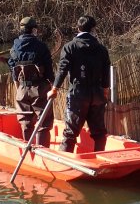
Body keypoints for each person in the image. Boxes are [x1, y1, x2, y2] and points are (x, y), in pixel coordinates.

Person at [49, 15, 111, 153]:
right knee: (99, 132)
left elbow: (62, 69)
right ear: (93, 29)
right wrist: (105, 90)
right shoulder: (101, 49)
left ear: (78, 28)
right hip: (97, 93)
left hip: (78, 94)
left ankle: (64, 162)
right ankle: (99, 158)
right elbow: (106, 71)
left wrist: (54, 88)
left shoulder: (70, 47)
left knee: (70, 132)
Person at [8, 16, 55, 147]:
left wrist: (18, 87)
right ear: (34, 30)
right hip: (39, 89)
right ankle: (42, 150)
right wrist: (53, 85)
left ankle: (27, 150)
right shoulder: (41, 46)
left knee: (25, 122)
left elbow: (13, 69)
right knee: (43, 123)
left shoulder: (14, 48)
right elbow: (49, 69)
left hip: (22, 90)